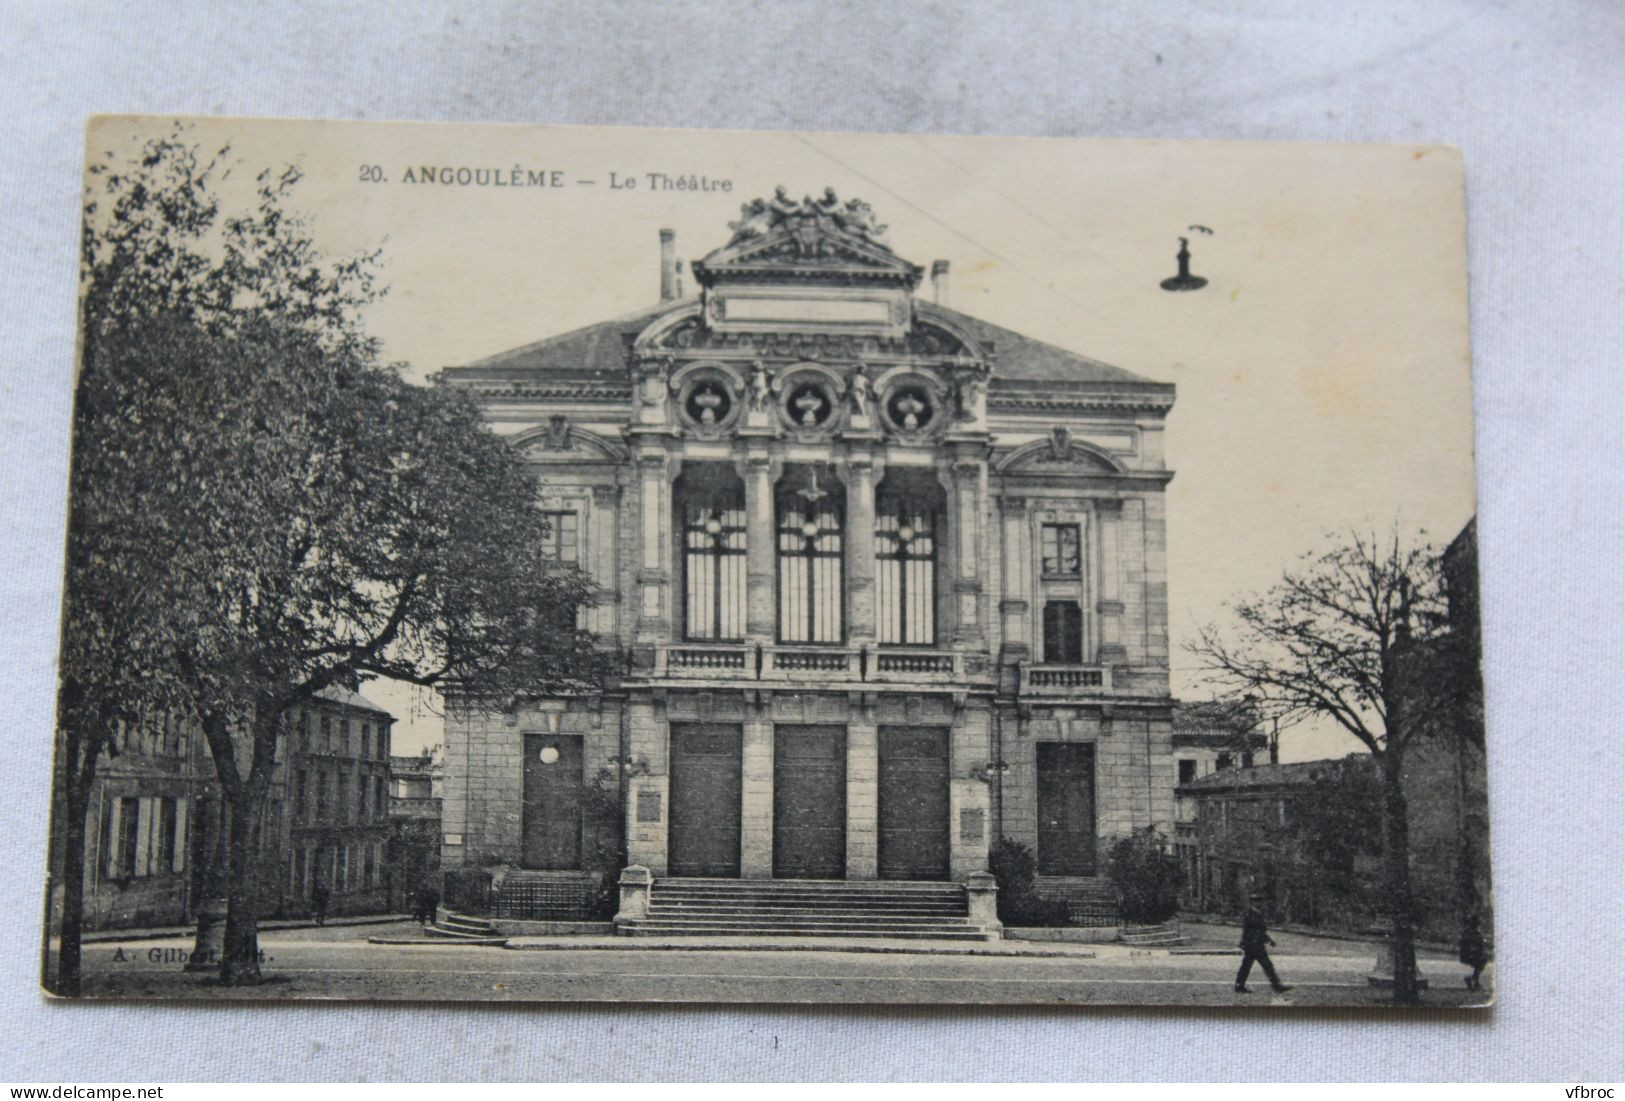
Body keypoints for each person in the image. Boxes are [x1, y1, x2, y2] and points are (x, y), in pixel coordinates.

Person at [1235, 896, 1292, 994]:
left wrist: (1269, 940)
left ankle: (1239, 985)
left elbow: (1260, 931)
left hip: (1254, 945)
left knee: (1247, 966)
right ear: (1253, 903)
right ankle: (1277, 986)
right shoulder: (1251, 914)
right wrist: (1247, 942)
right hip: (1255, 945)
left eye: (1260, 901)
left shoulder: (1256, 913)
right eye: (1257, 901)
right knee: (1265, 966)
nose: (1259, 904)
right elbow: (1250, 931)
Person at [1459, 913, 1489, 991]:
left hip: (1475, 954)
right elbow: (1465, 944)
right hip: (1469, 954)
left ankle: (1473, 980)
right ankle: (1474, 982)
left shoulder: (1476, 932)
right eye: (1477, 922)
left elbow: (1481, 944)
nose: (1478, 924)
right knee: (1481, 962)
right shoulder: (1468, 932)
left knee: (1481, 962)